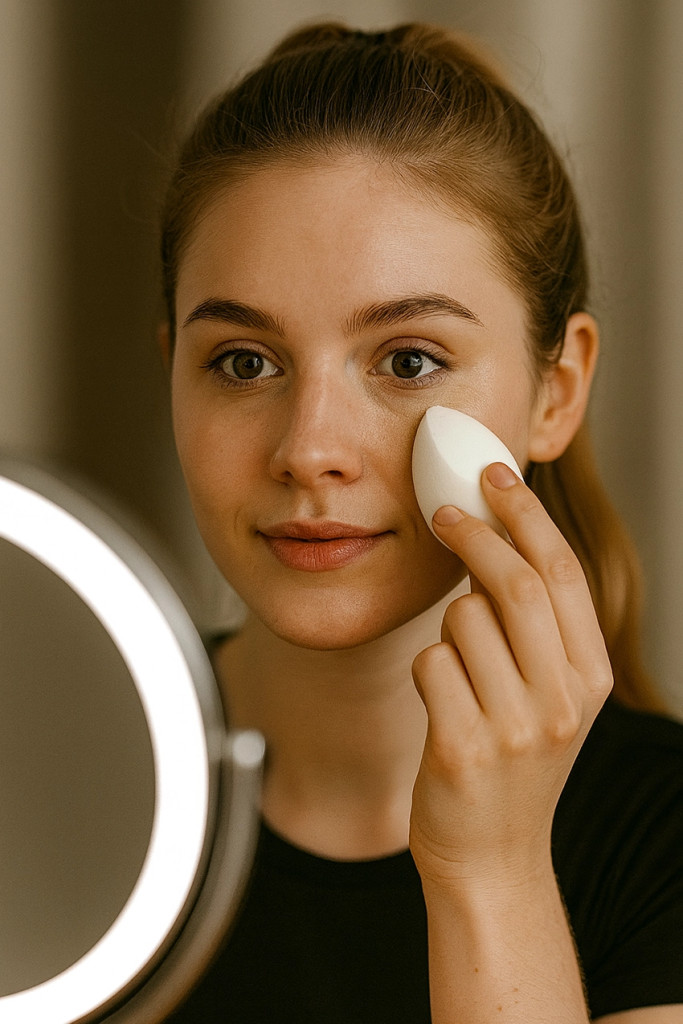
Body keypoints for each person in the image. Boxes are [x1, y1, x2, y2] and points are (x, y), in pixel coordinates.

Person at [160, 22, 683, 1023]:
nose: (309, 448)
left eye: (408, 361)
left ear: (556, 389)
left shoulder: (658, 845)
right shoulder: (52, 775)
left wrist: (490, 869)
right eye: (243, 362)